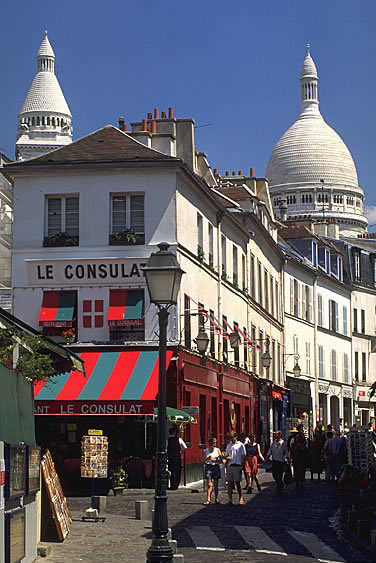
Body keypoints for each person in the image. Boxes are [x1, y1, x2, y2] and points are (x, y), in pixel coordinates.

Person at [225, 431, 246, 505]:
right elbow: (226, 455)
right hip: (230, 465)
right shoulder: (228, 446)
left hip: (237, 465)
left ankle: (240, 498)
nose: (230, 439)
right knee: (229, 483)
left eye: (231, 437)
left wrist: (242, 465)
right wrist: (227, 457)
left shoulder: (241, 445)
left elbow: (243, 455)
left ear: (235, 437)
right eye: (229, 438)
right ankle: (230, 500)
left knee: (237, 483)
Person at [167, 426, 187, 490]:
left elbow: (165, 449)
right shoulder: (179, 439)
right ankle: (176, 484)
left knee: (172, 471)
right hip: (178, 456)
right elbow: (185, 447)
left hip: (171, 457)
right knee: (178, 471)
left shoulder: (168, 440)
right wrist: (180, 452)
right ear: (175, 432)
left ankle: (173, 485)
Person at [203, 437, 221, 505]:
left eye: (216, 442)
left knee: (216, 484)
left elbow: (220, 460)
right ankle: (208, 499)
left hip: (216, 466)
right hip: (208, 467)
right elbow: (202, 461)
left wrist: (214, 459)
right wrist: (207, 458)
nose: (215, 444)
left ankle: (216, 499)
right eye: (214, 442)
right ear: (210, 443)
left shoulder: (217, 450)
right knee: (209, 484)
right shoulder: (206, 451)